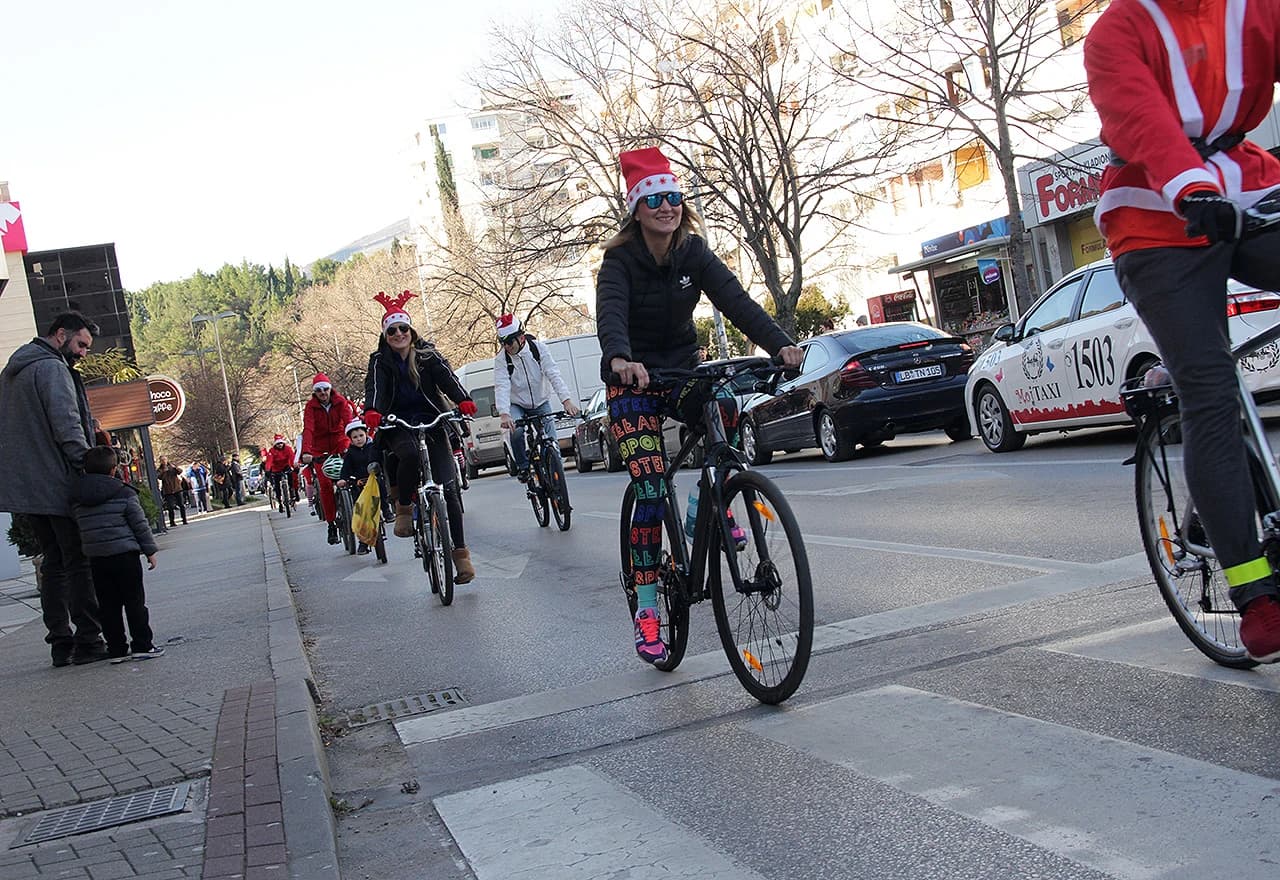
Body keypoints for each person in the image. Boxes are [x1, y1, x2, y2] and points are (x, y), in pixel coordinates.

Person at [1085, 1, 1280, 662]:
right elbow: (1139, 118)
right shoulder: (1119, 29)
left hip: (1249, 186)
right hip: (1154, 215)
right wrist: (1190, 188)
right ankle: (1256, 594)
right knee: (1208, 386)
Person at [597, 146, 803, 665]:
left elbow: (736, 301)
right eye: (654, 200)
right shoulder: (618, 261)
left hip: (683, 370)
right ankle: (647, 610)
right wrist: (621, 359)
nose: (666, 207)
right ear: (637, 210)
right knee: (648, 486)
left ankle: (703, 506)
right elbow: (612, 314)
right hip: (634, 383)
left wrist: (780, 343)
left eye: (673, 198)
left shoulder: (693, 252)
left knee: (727, 402)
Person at [0, 312, 109, 666]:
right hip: (58, 483)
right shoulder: (51, 369)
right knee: (77, 562)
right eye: (80, 344)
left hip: (27, 488)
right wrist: (89, 463)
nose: (83, 354)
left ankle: (60, 643)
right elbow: (66, 425)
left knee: (54, 564)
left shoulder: (11, 373)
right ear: (60, 334)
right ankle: (89, 640)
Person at [363, 290, 479, 582]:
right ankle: (404, 507)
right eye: (392, 330)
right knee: (410, 454)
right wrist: (373, 412)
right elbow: (374, 389)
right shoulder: (379, 361)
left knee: (449, 489)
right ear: (386, 334)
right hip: (397, 423)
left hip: (433, 421)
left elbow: (447, 378)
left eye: (403, 328)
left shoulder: (428, 355)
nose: (399, 334)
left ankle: (461, 557)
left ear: (411, 331)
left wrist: (462, 399)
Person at [71, 445, 164, 664]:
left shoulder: (77, 497)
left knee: (108, 606)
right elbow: (139, 524)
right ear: (113, 470)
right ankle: (142, 644)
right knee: (134, 602)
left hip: (97, 559)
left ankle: (116, 649)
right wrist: (149, 550)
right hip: (125, 556)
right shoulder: (123, 492)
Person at [493, 314, 580, 482]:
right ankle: (524, 467)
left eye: (509, 342)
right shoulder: (501, 359)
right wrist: (504, 413)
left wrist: (566, 400)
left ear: (521, 338)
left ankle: (557, 476)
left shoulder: (538, 349)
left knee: (551, 438)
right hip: (516, 404)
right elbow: (502, 385)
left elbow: (553, 374)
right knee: (516, 431)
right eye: (502, 343)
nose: (506, 347)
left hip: (541, 401)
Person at [300, 372, 356, 545]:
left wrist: (353, 442)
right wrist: (306, 452)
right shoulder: (310, 407)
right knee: (324, 485)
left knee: (353, 476)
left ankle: (359, 511)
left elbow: (348, 422)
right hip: (319, 448)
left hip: (340, 440)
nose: (323, 393)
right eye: (319, 390)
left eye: (325, 389)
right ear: (314, 393)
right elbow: (308, 429)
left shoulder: (341, 402)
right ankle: (331, 523)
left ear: (331, 389)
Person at [338, 418, 379, 554]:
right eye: (355, 437)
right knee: (362, 513)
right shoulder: (350, 454)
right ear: (350, 439)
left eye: (361, 435)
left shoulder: (373, 447)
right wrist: (343, 479)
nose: (359, 439)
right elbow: (346, 469)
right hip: (359, 484)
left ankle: (387, 510)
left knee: (383, 491)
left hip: (376, 480)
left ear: (366, 434)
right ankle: (363, 543)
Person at [263, 435, 297, 511]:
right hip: (276, 469)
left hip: (286, 466)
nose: (280, 445)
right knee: (277, 486)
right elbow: (269, 461)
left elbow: (292, 457)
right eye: (278, 444)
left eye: (281, 443)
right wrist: (268, 470)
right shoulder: (272, 451)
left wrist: (295, 466)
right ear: (275, 445)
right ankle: (280, 502)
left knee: (291, 478)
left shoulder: (288, 449)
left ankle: (292, 493)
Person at [158, 457, 188, 526]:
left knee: (181, 505)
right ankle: (172, 522)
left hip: (177, 488)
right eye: (162, 460)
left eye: (165, 460)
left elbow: (180, 471)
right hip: (168, 490)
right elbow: (159, 477)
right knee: (170, 507)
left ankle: (184, 519)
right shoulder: (160, 469)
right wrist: (164, 471)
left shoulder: (172, 466)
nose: (164, 461)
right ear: (160, 461)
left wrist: (175, 468)